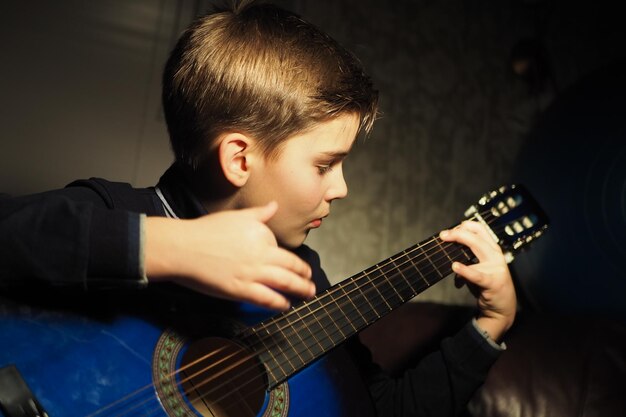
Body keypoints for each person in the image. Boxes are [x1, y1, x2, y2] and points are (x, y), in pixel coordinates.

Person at [0, 2, 516, 416]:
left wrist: (489, 325)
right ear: (239, 158)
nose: (342, 188)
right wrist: (165, 246)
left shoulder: (304, 286)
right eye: (325, 165)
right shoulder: (121, 211)